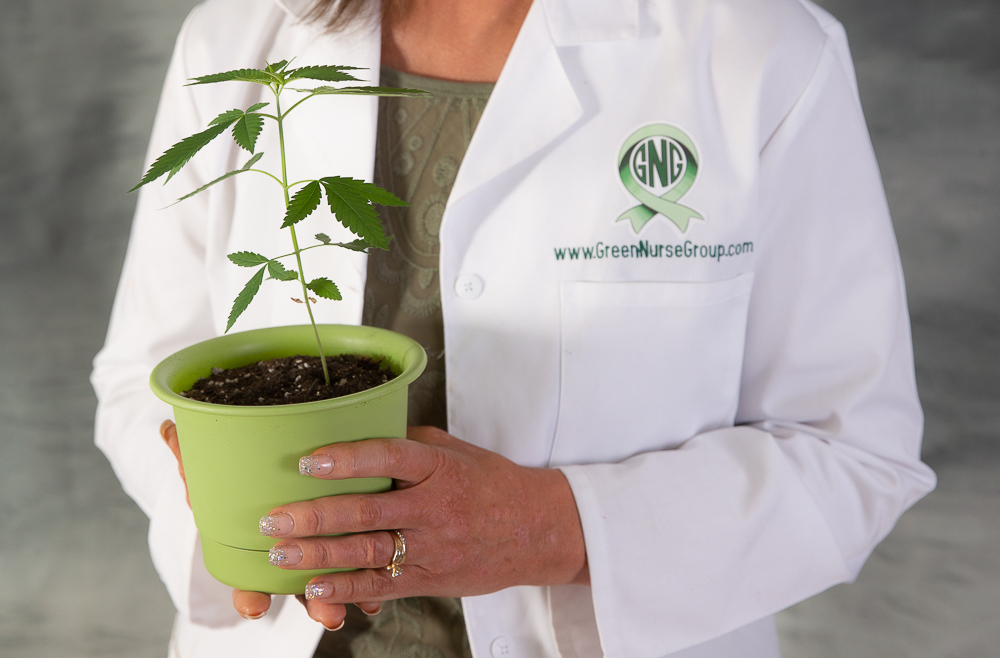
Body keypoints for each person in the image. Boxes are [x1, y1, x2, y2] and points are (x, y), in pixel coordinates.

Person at [91, 0, 937, 656]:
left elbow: (855, 452)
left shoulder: (759, 51)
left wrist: (556, 527)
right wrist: (223, 510)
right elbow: (142, 375)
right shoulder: (241, 36)